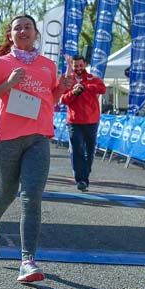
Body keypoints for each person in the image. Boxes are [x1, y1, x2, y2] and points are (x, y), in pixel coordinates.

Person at [0, 15, 75, 283]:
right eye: (17, 27)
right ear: (11, 34)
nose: (23, 31)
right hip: (7, 138)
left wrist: (62, 89)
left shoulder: (47, 66)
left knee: (31, 197)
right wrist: (8, 83)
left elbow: (50, 98)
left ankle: (27, 260)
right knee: (7, 193)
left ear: (36, 34)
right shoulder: (2, 64)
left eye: (27, 27)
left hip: (38, 137)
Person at [59, 55, 106, 191]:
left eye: (80, 65)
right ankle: (81, 179)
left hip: (92, 121)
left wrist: (85, 87)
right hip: (74, 121)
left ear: (85, 64)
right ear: (72, 66)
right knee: (77, 149)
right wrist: (74, 92)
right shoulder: (69, 80)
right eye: (76, 66)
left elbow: (102, 89)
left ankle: (85, 174)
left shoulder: (92, 78)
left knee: (89, 151)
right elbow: (63, 99)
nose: (78, 68)